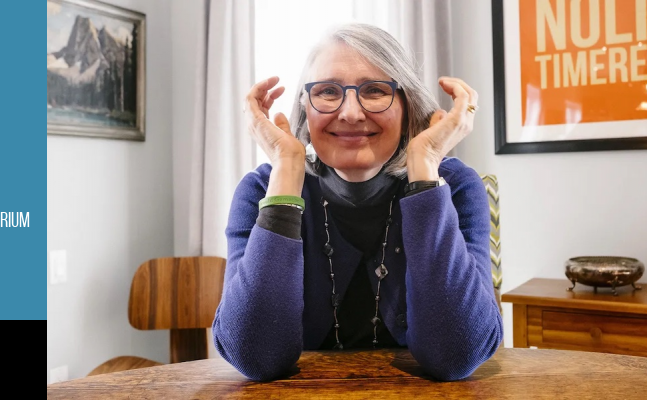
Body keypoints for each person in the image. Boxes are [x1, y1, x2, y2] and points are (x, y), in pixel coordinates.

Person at [212, 23, 502, 382]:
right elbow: (255, 356)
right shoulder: (261, 192)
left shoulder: (454, 186)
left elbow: (457, 354)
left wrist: (425, 167)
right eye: (329, 92)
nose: (350, 112)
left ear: (407, 106)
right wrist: (287, 171)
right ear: (305, 108)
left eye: (375, 90)